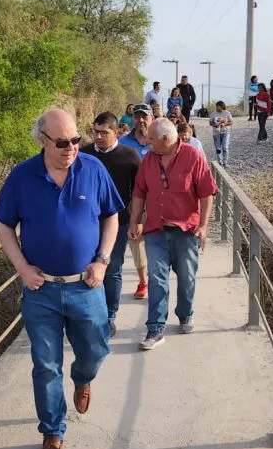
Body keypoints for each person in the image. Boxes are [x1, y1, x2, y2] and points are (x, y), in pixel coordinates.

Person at [0, 108, 121, 449]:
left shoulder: (93, 170)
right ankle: (52, 432)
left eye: (76, 140)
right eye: (63, 142)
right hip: (41, 291)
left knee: (96, 350)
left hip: (86, 286)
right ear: (43, 141)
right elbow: (4, 226)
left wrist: (102, 259)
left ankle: (83, 378)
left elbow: (111, 216)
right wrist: (21, 267)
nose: (72, 148)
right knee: (46, 366)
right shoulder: (22, 176)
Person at [128, 119, 218, 350]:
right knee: (157, 279)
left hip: (185, 231)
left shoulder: (193, 156)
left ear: (165, 140)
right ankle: (155, 328)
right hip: (156, 229)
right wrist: (135, 221)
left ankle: (185, 313)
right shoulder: (148, 159)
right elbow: (139, 192)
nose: (147, 143)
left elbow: (207, 193)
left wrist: (204, 227)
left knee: (187, 277)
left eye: (151, 139)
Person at [81, 112, 141, 335]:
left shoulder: (130, 156)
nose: (98, 137)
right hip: (86, 221)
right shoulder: (84, 154)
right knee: (86, 266)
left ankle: (109, 316)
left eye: (103, 133)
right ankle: (89, 314)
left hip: (119, 222)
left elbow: (140, 191)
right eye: (95, 132)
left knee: (112, 267)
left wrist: (138, 220)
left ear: (116, 133)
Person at [116, 104, 151, 300]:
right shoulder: (123, 143)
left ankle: (156, 278)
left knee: (156, 243)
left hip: (158, 202)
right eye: (137, 117)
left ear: (152, 118)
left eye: (144, 117)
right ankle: (143, 281)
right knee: (136, 241)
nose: (141, 120)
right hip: (133, 201)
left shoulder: (159, 141)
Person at [209, 100, 233, 165]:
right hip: (216, 133)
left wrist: (224, 124)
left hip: (225, 132)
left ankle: (225, 161)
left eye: (218, 107)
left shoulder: (227, 113)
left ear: (222, 107)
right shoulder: (213, 113)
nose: (217, 108)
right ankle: (220, 162)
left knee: (225, 147)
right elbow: (210, 122)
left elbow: (231, 122)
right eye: (216, 106)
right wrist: (214, 125)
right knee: (218, 148)